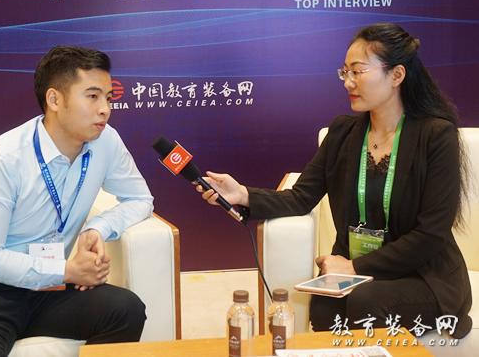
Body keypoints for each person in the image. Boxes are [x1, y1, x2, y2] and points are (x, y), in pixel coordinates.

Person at [198, 23, 472, 338]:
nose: (348, 82)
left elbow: (430, 235)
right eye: (345, 72)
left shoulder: (435, 136)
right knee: (324, 307)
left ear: (397, 75)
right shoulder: (343, 133)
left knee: (366, 300)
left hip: (423, 275)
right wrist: (243, 194)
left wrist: (354, 268)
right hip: (357, 271)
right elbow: (300, 197)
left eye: (358, 71)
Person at [0, 46, 154, 357]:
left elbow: (140, 199)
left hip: (50, 291)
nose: (105, 109)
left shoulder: (106, 141)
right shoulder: (3, 157)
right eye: (92, 96)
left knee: (126, 309)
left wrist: (98, 228)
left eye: (108, 97)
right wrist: (67, 271)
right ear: (54, 100)